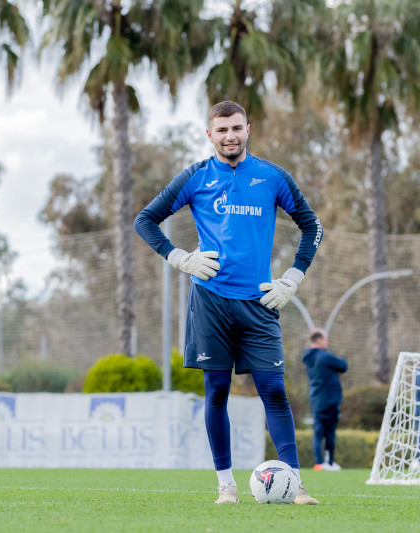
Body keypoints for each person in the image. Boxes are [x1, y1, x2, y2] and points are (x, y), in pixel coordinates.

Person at [133, 101, 323, 505]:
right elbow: (144, 220)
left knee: (273, 390)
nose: (230, 136)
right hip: (211, 303)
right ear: (209, 135)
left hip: (260, 304)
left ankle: (295, 484)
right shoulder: (195, 177)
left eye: (236, 128)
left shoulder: (272, 177)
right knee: (216, 391)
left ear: (248, 129)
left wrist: (292, 278)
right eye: (221, 130)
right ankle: (226, 486)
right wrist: (181, 257)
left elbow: (313, 226)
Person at [301, 328, 348, 471]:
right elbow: (343, 365)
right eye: (326, 339)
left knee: (317, 432)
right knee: (329, 432)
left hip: (315, 399)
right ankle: (330, 461)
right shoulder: (325, 356)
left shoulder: (307, 357)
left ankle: (319, 463)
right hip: (329, 399)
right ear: (320, 340)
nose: (327, 342)